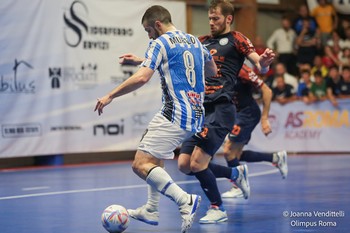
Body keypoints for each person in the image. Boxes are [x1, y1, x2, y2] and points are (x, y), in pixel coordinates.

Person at [94, 5, 217, 233]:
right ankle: (151, 208)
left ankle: (184, 200)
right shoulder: (195, 41)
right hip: (197, 114)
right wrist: (146, 60)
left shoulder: (159, 43)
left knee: (140, 164)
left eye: (148, 30)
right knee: (151, 147)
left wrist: (110, 95)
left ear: (158, 24)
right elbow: (211, 71)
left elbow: (142, 78)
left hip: (175, 112)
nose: (149, 35)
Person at [177, 0, 275, 224]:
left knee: (197, 164)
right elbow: (174, 57)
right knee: (184, 165)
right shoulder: (201, 41)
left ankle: (217, 208)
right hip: (201, 110)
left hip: (222, 109)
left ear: (228, 19)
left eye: (216, 19)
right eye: (209, 18)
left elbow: (260, 64)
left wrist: (265, 64)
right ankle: (235, 174)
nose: (211, 22)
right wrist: (143, 61)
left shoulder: (237, 39)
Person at [215, 64, 288, 199]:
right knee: (236, 155)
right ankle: (275, 158)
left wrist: (265, 119)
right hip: (236, 114)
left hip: (247, 113)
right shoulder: (216, 67)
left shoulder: (242, 70)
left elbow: (267, 91)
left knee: (228, 151)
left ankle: (238, 186)